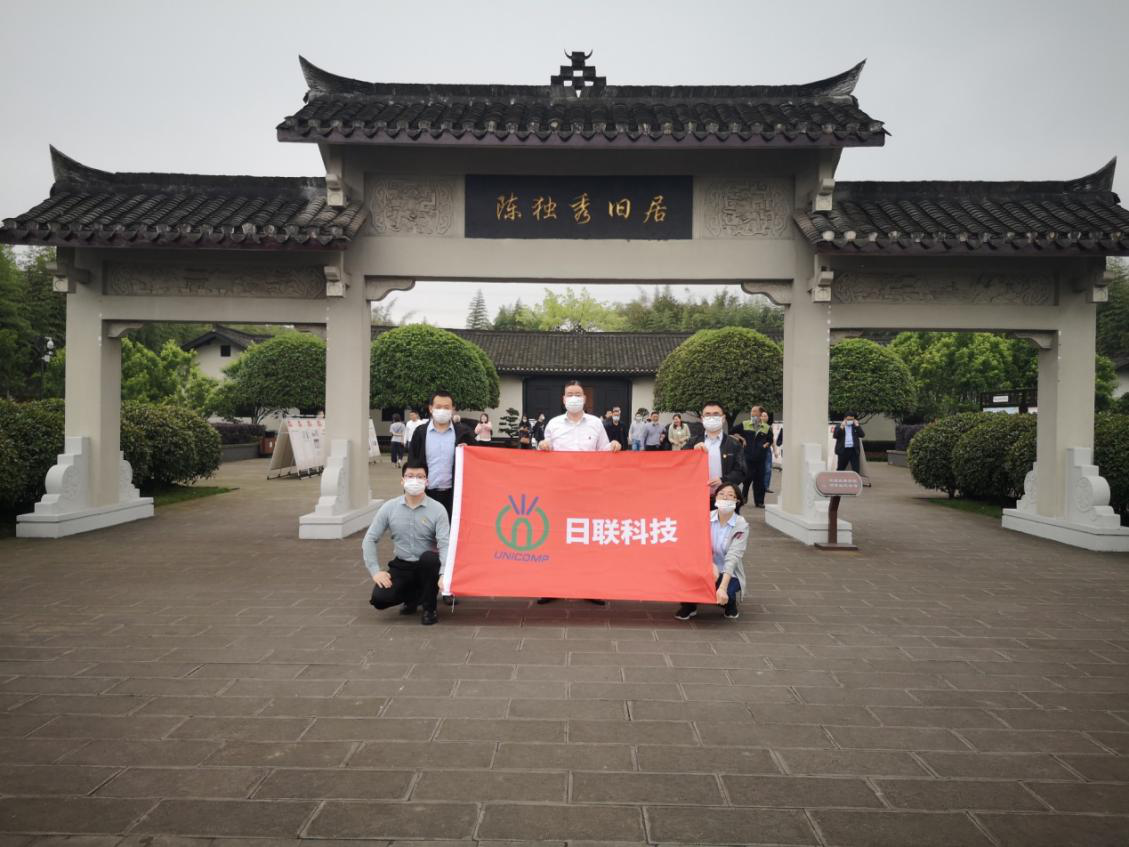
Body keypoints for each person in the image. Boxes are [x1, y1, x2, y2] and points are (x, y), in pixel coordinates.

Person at [536, 380, 621, 605]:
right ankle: (553, 587)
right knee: (556, 538)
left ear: (584, 398)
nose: (574, 397)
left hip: (588, 492)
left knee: (588, 539)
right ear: (563, 399)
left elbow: (604, 453)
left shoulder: (596, 423)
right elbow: (543, 455)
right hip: (559, 492)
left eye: (578, 394)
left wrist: (614, 446)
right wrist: (542, 446)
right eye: (570, 394)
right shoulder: (553, 424)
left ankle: (589, 587)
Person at [363, 462, 449, 626]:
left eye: (420, 477)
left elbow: (445, 544)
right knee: (380, 599)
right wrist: (375, 571)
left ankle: (429, 609)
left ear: (427, 482)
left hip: (427, 566)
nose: (415, 480)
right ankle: (414, 596)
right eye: (410, 476)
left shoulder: (438, 509)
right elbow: (370, 539)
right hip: (402, 564)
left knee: (429, 558)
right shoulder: (389, 507)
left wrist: (444, 573)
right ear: (402, 480)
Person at [674, 483, 747, 621]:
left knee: (724, 591)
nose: (725, 497)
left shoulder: (741, 524)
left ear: (737, 501)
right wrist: (709, 565)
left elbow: (733, 557)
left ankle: (729, 603)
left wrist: (722, 587)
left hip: (729, 571)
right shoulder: (705, 518)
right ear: (715, 498)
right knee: (684, 579)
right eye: (721, 494)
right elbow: (694, 546)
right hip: (704, 567)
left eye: (730, 495)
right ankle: (689, 605)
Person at [687, 401, 747, 509]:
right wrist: (692, 453)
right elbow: (681, 467)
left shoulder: (734, 444)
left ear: (723, 418)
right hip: (697, 498)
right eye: (707, 414)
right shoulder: (692, 442)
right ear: (702, 418)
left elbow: (741, 471)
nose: (711, 418)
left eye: (716, 414)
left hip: (724, 500)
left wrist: (723, 480)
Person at [740, 406, 771, 508]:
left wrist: (765, 445)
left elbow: (770, 439)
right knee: (747, 478)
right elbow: (732, 432)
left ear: (760, 414)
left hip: (760, 459)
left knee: (760, 481)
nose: (752, 413)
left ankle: (759, 501)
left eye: (754, 411)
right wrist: (742, 439)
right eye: (751, 411)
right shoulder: (745, 424)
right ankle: (744, 496)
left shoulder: (766, 427)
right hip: (748, 458)